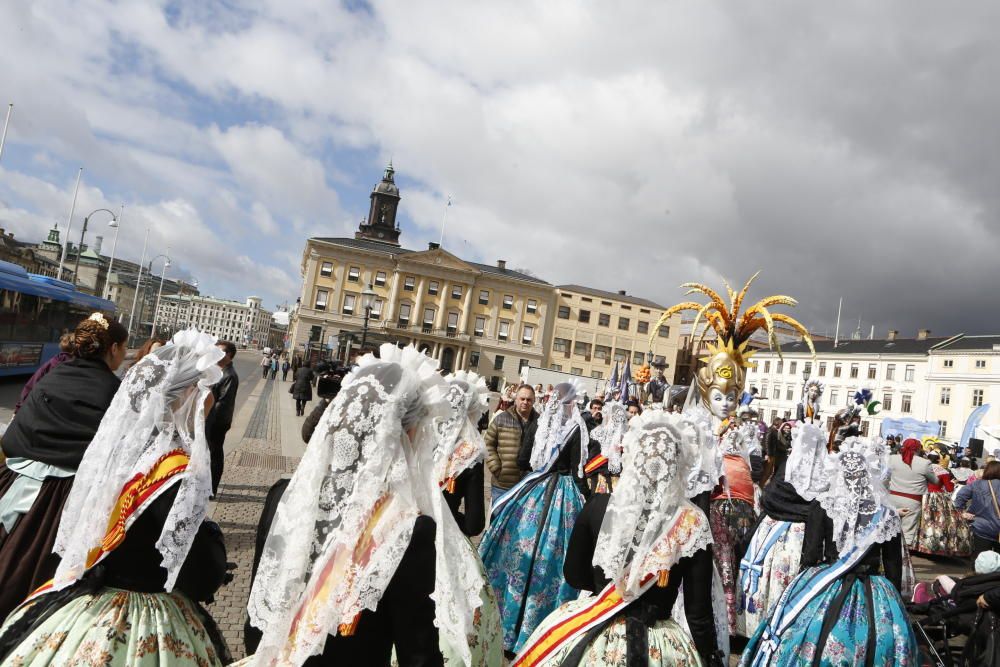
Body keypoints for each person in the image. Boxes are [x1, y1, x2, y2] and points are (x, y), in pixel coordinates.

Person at [0, 330, 230, 665]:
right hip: (142, 611)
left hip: (86, 598)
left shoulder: (115, 452)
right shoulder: (175, 468)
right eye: (208, 392)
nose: (210, 401)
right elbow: (194, 570)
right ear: (189, 396)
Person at [243, 345, 453, 665]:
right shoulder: (408, 530)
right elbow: (418, 654)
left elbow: (259, 612)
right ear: (407, 432)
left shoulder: (283, 496)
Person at [515, 412, 723, 667]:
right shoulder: (692, 521)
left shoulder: (598, 505)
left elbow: (575, 575)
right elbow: (698, 612)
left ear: (632, 456)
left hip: (597, 630)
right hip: (658, 640)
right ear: (679, 463)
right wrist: (711, 656)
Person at [741, 440, 919, 666]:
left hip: (827, 580)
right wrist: (895, 604)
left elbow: (811, 554)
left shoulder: (823, 505)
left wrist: (804, 582)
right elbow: (894, 568)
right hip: (875, 589)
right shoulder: (887, 513)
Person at [0, 313, 128, 620]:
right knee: (38, 589)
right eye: (124, 348)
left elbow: (14, 438)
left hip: (15, 487)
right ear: (112, 349)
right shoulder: (116, 391)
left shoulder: (54, 374)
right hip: (65, 503)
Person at [479, 381, 590, 656]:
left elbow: (522, 459)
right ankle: (538, 629)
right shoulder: (576, 428)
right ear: (572, 404)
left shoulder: (541, 425)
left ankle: (505, 624)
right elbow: (578, 472)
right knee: (555, 555)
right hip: (563, 494)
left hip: (533, 489)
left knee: (517, 550)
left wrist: (534, 476)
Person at [739, 422, 828, 639]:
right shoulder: (824, 476)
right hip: (798, 537)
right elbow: (821, 511)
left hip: (772, 530)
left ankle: (758, 630)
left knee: (768, 582)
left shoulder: (789, 468)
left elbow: (769, 498)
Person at [712, 419, 759, 636]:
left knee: (722, 566)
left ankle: (721, 617)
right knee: (738, 564)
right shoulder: (743, 465)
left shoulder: (719, 461)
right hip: (745, 517)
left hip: (720, 516)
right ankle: (738, 620)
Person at [484, 384, 538, 504]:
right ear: (516, 399)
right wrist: (497, 469)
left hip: (527, 485)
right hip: (502, 485)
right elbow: (487, 444)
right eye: (522, 399)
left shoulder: (540, 423)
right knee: (498, 520)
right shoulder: (501, 418)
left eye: (529, 399)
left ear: (534, 401)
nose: (525, 402)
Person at [913, 450, 973, 557]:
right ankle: (933, 545)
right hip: (937, 497)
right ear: (938, 459)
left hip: (921, 495)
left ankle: (915, 543)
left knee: (920, 519)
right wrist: (952, 483)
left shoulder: (922, 467)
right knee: (937, 522)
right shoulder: (942, 471)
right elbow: (949, 489)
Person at [888, 438, 939, 547]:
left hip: (891, 497)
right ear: (918, 449)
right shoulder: (924, 463)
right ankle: (902, 559)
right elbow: (935, 481)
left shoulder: (892, 458)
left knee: (889, 528)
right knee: (907, 532)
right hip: (912, 501)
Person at [206, 340, 239, 495]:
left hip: (217, 421)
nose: (215, 354)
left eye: (219, 352)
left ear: (229, 355)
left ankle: (212, 488)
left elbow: (222, 403)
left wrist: (209, 420)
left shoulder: (229, 375)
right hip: (213, 419)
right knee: (211, 453)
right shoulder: (219, 370)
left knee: (214, 454)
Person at [12, 332, 75, 414]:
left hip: (38, 410)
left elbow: (31, 385)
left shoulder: (53, 362)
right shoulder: (78, 366)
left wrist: (19, 408)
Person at [955, 460, 1000, 557]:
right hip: (997, 529)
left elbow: (960, 496)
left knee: (979, 560)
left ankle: (976, 571)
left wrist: (962, 511)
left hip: (980, 527)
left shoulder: (977, 484)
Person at [586, 400, 628, 494]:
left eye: (620, 419)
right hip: (600, 478)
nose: (617, 421)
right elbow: (592, 456)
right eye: (615, 418)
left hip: (619, 481)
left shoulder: (627, 439)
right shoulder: (598, 434)